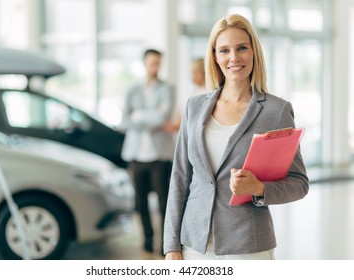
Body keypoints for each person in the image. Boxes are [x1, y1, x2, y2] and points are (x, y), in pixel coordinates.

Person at [163, 14, 309, 260]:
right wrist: (171, 246)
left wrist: (259, 188)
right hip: (193, 245)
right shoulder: (194, 107)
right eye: (224, 50)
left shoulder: (276, 111)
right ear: (214, 56)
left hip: (249, 246)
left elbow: (299, 183)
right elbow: (179, 178)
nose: (234, 57)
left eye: (242, 48)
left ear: (254, 52)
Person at [120, 49, 175, 256]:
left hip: (160, 156)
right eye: (152, 63)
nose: (155, 67)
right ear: (144, 63)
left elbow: (163, 117)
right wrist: (151, 119)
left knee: (163, 203)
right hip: (136, 156)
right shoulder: (132, 89)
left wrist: (138, 116)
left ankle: (165, 244)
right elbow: (124, 121)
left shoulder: (168, 88)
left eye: (158, 63)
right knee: (141, 203)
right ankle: (147, 240)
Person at [164, 57, 206, 133]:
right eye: (192, 73)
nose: (193, 76)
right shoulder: (189, 93)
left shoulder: (210, 93)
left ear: (205, 72)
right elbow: (179, 121)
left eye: (196, 72)